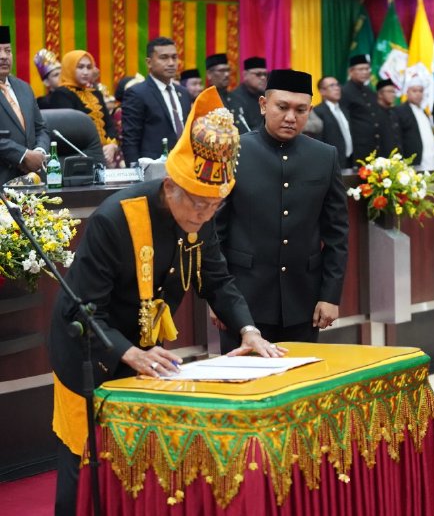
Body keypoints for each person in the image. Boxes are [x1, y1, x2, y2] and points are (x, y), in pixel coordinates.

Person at [49, 86, 286, 516]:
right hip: (93, 351)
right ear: (170, 185)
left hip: (146, 352)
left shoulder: (202, 214)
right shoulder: (114, 219)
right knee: (86, 463)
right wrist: (128, 353)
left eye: (215, 206)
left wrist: (248, 329)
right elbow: (81, 309)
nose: (204, 215)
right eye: (197, 203)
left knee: (140, 461)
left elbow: (217, 280)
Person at [215, 69, 349, 351]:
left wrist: (330, 295)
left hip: (304, 300)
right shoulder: (234, 151)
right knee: (245, 387)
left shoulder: (324, 156)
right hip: (244, 300)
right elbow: (215, 234)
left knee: (301, 387)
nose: (291, 117)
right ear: (264, 105)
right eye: (282, 107)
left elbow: (337, 233)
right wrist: (219, 300)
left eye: (301, 110)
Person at [121, 37, 191, 167]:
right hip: (153, 168)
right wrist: (134, 171)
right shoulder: (137, 93)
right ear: (149, 62)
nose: (171, 63)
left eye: (174, 57)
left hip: (185, 164)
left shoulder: (184, 93)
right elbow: (130, 139)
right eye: (164, 58)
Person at [49, 50, 120, 168]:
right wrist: (96, 151)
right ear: (69, 68)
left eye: (89, 67)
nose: (86, 72)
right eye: (80, 67)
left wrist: (112, 146)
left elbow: (109, 125)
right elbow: (70, 131)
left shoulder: (96, 94)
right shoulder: (61, 94)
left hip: (105, 156)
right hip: (79, 157)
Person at [0, 26, 50, 184]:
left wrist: (38, 152)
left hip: (32, 180)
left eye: (8, 51)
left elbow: (40, 129)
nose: (3, 57)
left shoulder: (24, 88)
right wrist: (23, 155)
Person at [341, 54, 385, 164]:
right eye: (360, 69)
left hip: (374, 147)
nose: (365, 72)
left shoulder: (369, 91)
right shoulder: (344, 92)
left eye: (367, 69)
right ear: (350, 72)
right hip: (358, 148)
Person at [307, 75, 353, 168]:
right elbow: (318, 142)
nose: (337, 88)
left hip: (349, 161)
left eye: (337, 85)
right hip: (331, 163)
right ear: (322, 91)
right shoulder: (317, 111)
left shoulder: (345, 110)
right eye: (332, 86)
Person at [394, 76, 434, 168]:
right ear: (407, 92)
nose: (418, 94)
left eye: (420, 91)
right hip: (412, 163)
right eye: (414, 91)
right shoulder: (400, 111)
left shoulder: (424, 112)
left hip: (430, 161)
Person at [205, 53, 249, 135]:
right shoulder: (205, 100)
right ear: (209, 74)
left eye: (228, 70)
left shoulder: (237, 98)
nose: (227, 74)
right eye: (221, 71)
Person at [230, 56, 267, 131]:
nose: (263, 78)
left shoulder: (266, 96)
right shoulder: (235, 98)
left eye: (265, 74)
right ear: (245, 75)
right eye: (258, 74)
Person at [375, 78, 402, 157]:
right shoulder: (374, 114)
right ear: (380, 94)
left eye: (394, 92)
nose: (393, 95)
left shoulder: (395, 113)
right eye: (389, 91)